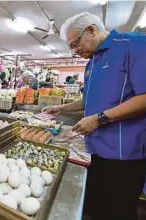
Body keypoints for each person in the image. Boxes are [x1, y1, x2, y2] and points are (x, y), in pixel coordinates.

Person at [43, 12, 146, 220]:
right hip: (95, 151)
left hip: (123, 156)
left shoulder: (134, 45)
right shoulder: (92, 62)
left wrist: (99, 119)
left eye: (74, 44)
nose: (74, 50)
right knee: (96, 209)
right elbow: (88, 100)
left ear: (91, 30)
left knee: (118, 212)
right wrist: (62, 108)